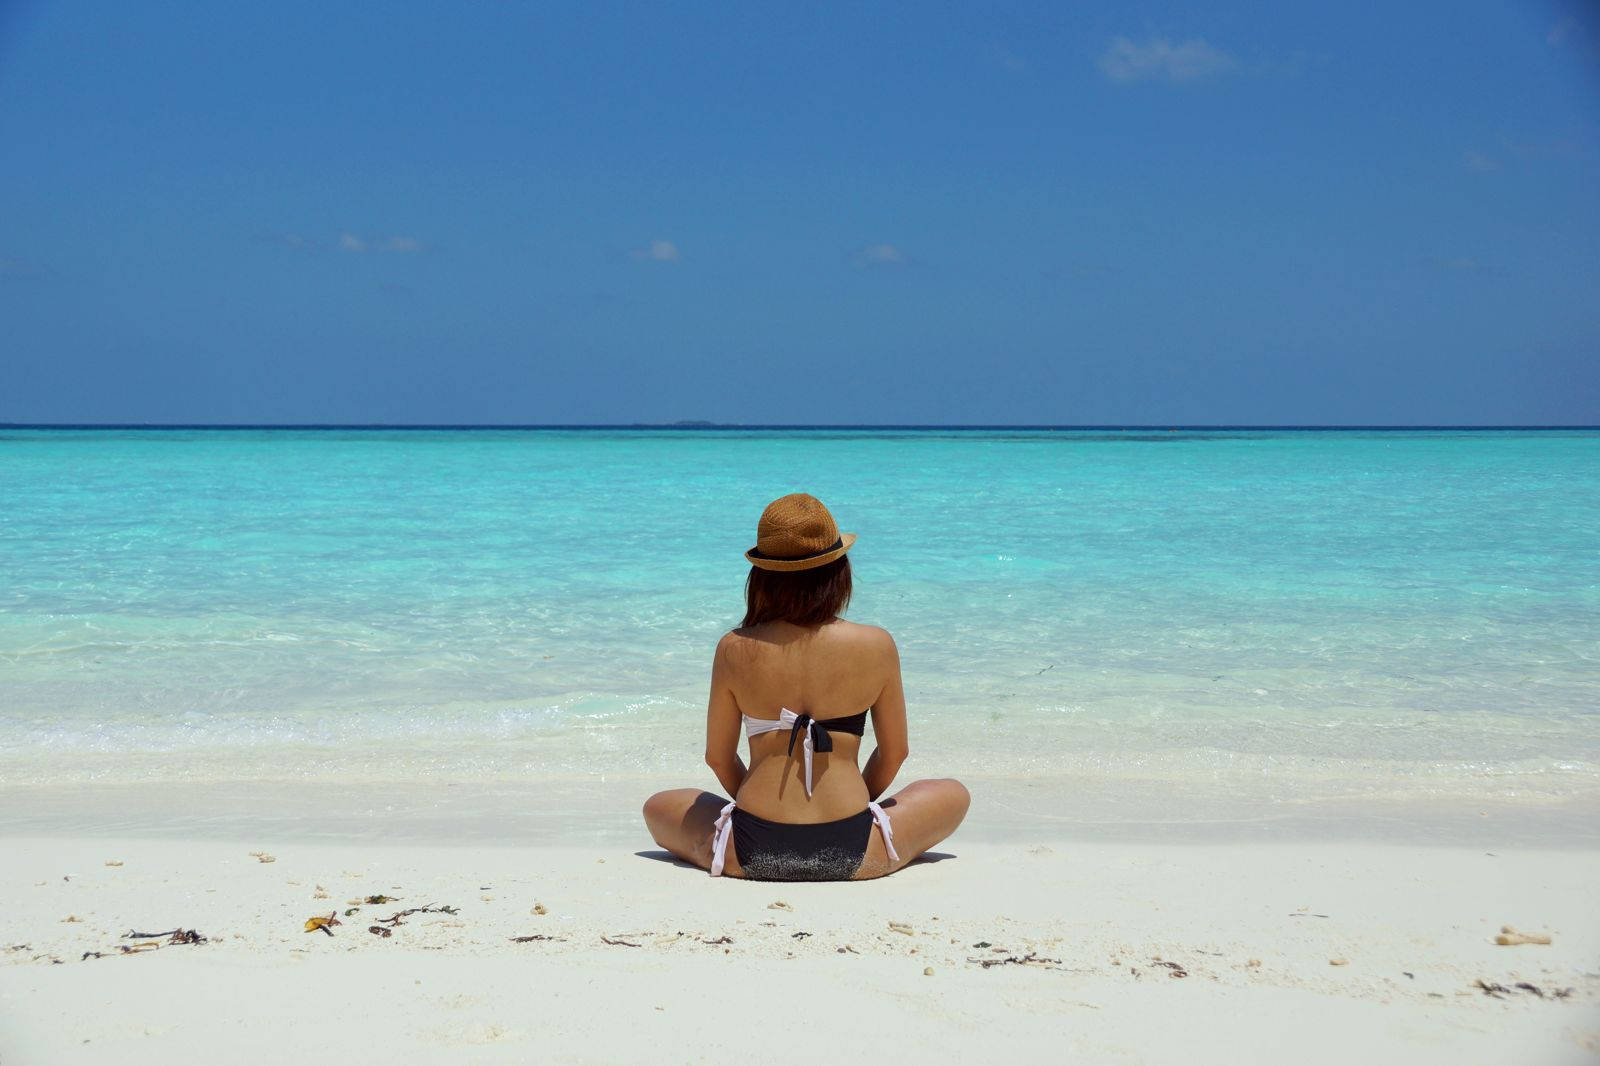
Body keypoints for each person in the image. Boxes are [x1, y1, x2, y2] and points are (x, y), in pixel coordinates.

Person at [642, 493, 970, 880]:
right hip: (855, 846)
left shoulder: (735, 647)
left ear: (762, 578)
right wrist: (852, 803)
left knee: (658, 806)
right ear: (839, 572)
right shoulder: (875, 644)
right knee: (952, 793)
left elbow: (718, 757)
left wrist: (765, 807)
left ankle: (744, 846)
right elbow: (895, 753)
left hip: (752, 847)